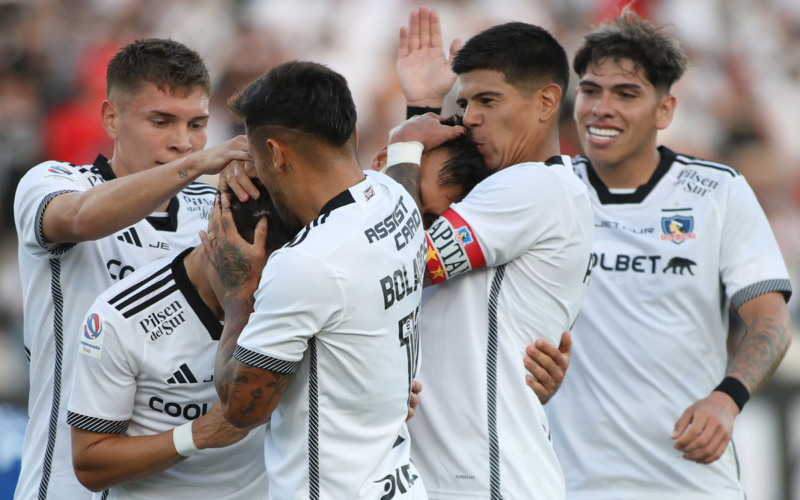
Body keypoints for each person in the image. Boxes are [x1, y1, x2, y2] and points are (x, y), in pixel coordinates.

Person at [541, 11, 793, 500]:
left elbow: (771, 320)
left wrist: (728, 398)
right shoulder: (544, 191)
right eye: (591, 90)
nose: (601, 108)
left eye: (627, 94)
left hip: (689, 483)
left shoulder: (718, 192)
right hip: (565, 485)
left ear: (665, 110)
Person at [12, 38, 248, 500]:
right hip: (65, 483)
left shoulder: (219, 209)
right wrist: (198, 163)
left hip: (175, 482)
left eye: (197, 125)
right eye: (161, 121)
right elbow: (79, 219)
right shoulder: (55, 182)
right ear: (111, 117)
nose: (182, 141)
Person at [386, 11, 594, 500]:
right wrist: (423, 107)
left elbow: (389, 266)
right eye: (464, 102)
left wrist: (405, 147)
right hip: (462, 475)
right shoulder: (519, 190)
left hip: (487, 480)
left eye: (488, 100)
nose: (471, 116)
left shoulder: (531, 185)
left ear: (547, 101)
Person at [208, 61, 430, 499]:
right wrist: (407, 140)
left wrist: (236, 293)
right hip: (399, 481)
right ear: (353, 134)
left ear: (275, 153)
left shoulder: (307, 264)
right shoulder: (396, 200)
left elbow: (241, 407)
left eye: (256, 160)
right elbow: (402, 177)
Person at [66, 181, 292, 499]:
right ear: (215, 235)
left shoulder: (295, 289)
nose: (254, 296)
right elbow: (90, 464)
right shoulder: (119, 318)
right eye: (240, 274)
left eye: (266, 282)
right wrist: (198, 434)